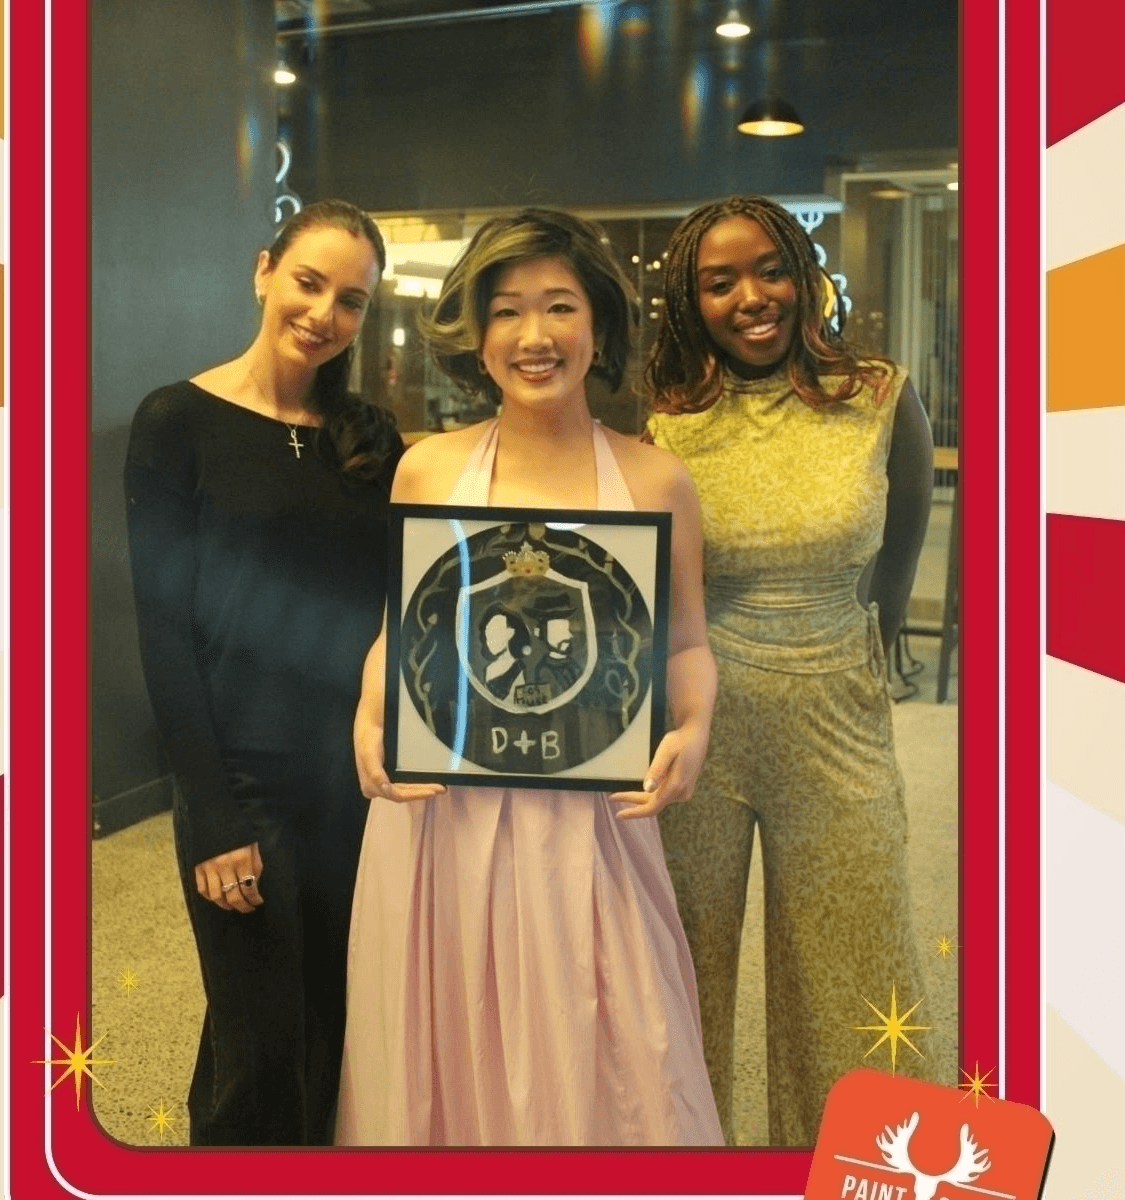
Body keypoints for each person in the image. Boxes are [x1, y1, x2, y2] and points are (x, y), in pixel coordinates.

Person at [336, 208, 725, 1146]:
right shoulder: (427, 469)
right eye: (507, 311)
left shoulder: (655, 479)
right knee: (438, 1027)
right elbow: (403, 628)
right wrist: (366, 712)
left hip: (588, 811)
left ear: (600, 327)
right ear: (477, 334)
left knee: (617, 1030)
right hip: (441, 806)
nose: (534, 336)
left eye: (559, 307)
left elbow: (683, 642)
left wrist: (694, 727)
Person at [644, 195, 935, 1145]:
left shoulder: (882, 395)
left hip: (837, 718)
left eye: (770, 268)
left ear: (805, 274)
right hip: (697, 729)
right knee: (682, 974)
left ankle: (873, 1164)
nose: (752, 296)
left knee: (859, 967)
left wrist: (866, 635)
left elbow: (901, 546)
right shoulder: (666, 423)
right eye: (719, 281)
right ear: (693, 302)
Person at [124, 199, 402, 1145]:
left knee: (331, 1021)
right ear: (263, 271)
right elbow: (164, 635)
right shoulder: (175, 422)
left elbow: (402, 607)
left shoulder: (370, 440)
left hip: (356, 780)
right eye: (309, 282)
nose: (325, 314)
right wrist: (211, 818)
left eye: (352, 300)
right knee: (256, 1034)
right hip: (242, 780)